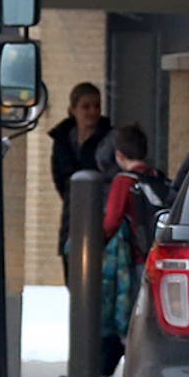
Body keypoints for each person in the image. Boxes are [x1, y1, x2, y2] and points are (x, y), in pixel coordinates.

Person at [98, 124, 167, 377]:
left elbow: (111, 222)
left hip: (132, 259)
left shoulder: (123, 181)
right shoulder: (156, 176)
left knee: (127, 317)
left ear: (119, 155)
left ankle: (136, 372)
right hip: (154, 253)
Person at [48, 82, 114, 284]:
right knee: (73, 281)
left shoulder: (110, 139)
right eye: (86, 107)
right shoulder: (62, 141)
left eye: (97, 106)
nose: (92, 112)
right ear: (72, 110)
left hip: (101, 218)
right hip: (71, 217)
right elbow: (60, 179)